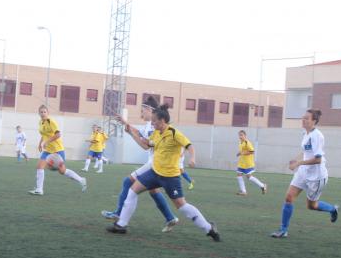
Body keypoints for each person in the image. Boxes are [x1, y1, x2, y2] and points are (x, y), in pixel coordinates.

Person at [106, 103, 220, 242]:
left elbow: (189, 146)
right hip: (154, 173)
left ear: (162, 121)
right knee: (132, 190)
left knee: (182, 206)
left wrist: (193, 158)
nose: (152, 124)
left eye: (154, 121)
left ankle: (209, 228)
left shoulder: (174, 133)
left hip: (170, 177)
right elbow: (145, 146)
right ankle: (121, 225)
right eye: (152, 121)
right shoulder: (156, 133)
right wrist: (131, 133)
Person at [101, 96, 179, 233]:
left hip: (155, 163)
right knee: (153, 190)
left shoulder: (154, 126)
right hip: (156, 164)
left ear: (150, 110)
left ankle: (119, 214)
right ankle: (170, 217)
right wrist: (127, 124)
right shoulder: (150, 125)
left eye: (142, 110)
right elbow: (139, 133)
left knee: (128, 181)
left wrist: (130, 132)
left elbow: (145, 145)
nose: (141, 113)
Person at [271, 109, 338, 238]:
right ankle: (283, 230)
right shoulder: (305, 133)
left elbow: (318, 159)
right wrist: (295, 160)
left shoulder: (317, 136)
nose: (303, 120)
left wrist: (299, 163)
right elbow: (305, 151)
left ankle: (332, 209)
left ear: (314, 121)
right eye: (303, 117)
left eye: (307, 118)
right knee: (289, 197)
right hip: (303, 173)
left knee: (312, 206)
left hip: (316, 176)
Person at [28, 105, 86, 195]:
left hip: (57, 150)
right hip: (47, 150)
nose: (43, 113)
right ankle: (39, 189)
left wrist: (47, 142)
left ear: (48, 113)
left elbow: (58, 135)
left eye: (44, 112)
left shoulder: (51, 122)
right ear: (39, 113)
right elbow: (44, 134)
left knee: (62, 171)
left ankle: (81, 180)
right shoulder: (40, 122)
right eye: (41, 112)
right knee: (40, 166)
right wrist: (40, 143)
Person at [235, 130, 268, 196]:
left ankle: (262, 185)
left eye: (241, 135)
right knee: (239, 175)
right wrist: (239, 153)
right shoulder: (241, 142)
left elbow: (252, 151)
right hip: (242, 163)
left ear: (245, 135)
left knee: (249, 177)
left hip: (247, 163)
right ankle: (244, 191)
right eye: (239, 135)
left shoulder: (247, 142)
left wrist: (243, 153)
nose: (240, 136)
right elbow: (242, 151)